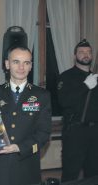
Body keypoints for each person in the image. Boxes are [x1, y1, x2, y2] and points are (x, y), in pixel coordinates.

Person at [0, 45, 52, 185]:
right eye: (16, 61)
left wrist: (18, 147)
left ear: (30, 66)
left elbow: (44, 134)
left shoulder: (41, 95)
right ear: (7, 64)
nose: (21, 67)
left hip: (27, 166)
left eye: (26, 63)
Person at [57, 39, 98, 182]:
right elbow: (64, 101)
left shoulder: (96, 77)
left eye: (88, 52)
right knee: (71, 174)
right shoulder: (66, 77)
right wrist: (85, 86)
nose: (85, 55)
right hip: (75, 133)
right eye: (81, 52)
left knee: (93, 174)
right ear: (75, 56)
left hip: (95, 133)